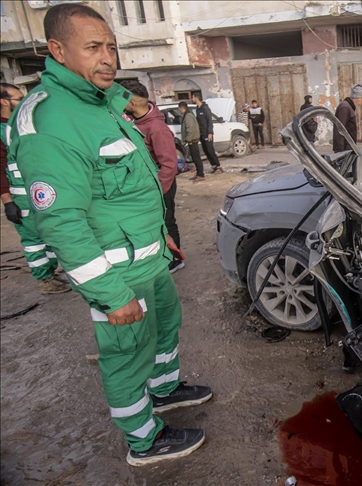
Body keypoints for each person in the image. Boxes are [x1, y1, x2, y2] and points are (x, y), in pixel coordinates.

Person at [6, 3, 211, 466]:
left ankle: (164, 391)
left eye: (112, 47)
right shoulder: (51, 122)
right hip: (116, 271)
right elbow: (61, 223)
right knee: (126, 354)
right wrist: (110, 295)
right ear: (58, 50)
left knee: (165, 329)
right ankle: (144, 440)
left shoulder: (98, 102)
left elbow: (126, 190)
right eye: (94, 47)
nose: (108, 58)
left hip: (149, 258)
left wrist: (162, 236)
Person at [1, 82, 71, 294]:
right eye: (18, 98)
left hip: (39, 193)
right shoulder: (3, 132)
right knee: (33, 241)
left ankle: (50, 272)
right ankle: (44, 280)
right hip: (21, 198)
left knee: (48, 235)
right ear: (3, 102)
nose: (23, 102)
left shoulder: (17, 127)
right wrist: (8, 202)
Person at [120, 80, 184, 273]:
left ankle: (175, 259)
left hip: (162, 185)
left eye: (121, 99)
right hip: (149, 184)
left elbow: (169, 165)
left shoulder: (156, 128)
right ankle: (163, 255)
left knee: (167, 220)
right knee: (156, 222)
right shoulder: (135, 123)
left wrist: (158, 190)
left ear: (132, 103)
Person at [191, 93, 221, 174]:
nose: (192, 99)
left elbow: (209, 121)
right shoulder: (198, 109)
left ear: (196, 98)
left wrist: (210, 133)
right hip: (201, 133)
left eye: (193, 97)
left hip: (207, 133)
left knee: (210, 150)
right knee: (205, 150)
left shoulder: (205, 108)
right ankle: (213, 165)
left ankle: (218, 166)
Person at [332, 85, 362, 152]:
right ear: (356, 97)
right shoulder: (345, 107)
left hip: (348, 148)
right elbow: (339, 129)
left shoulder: (349, 107)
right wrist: (340, 152)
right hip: (344, 149)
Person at [178, 102, 204, 182]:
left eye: (179, 108)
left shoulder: (188, 116)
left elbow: (190, 129)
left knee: (196, 157)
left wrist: (189, 139)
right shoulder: (187, 115)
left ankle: (201, 174)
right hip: (192, 140)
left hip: (193, 140)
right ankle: (198, 173)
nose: (179, 110)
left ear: (182, 108)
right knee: (194, 158)